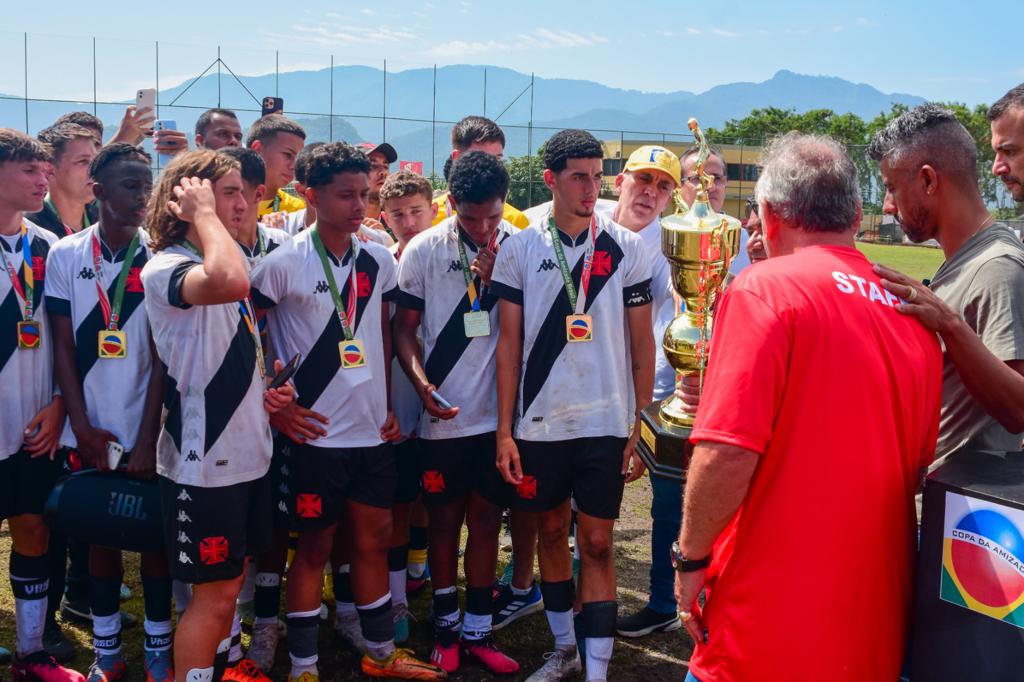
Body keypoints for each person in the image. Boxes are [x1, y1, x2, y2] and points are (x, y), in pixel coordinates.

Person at [675, 132, 942, 681]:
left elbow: (726, 453)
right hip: (873, 624)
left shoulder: (764, 290)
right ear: (857, 213)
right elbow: (916, 464)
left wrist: (690, 560)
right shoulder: (913, 311)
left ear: (769, 215)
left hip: (764, 625)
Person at [250, 141, 444, 681]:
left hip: (370, 435)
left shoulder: (379, 259)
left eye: (366, 194)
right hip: (313, 435)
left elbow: (380, 336)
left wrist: (385, 404)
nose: (360, 206)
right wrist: (274, 399)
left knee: (373, 542)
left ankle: (380, 656)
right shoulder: (283, 262)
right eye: (346, 195)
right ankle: (305, 666)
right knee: (312, 548)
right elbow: (249, 334)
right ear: (310, 195)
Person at [491, 129, 654, 682]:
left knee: (600, 541)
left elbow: (642, 343)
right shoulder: (519, 246)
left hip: (605, 422)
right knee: (551, 532)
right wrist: (504, 430)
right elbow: (507, 345)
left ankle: (598, 671)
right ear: (551, 179)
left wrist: (640, 420)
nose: (591, 189)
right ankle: (564, 650)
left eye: (597, 176)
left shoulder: (626, 249)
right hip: (538, 422)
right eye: (579, 177)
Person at [140, 150, 292, 682]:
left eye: (243, 191)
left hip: (248, 455)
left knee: (226, 594)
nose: (243, 200)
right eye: (225, 192)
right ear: (186, 198)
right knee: (210, 600)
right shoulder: (166, 265)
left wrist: (267, 392)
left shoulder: (229, 258)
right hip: (202, 465)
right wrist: (203, 215)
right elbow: (229, 282)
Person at [45, 143, 173, 682]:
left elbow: (166, 359)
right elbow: (64, 351)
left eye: (147, 185)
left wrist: (148, 439)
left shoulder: (161, 258)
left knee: (156, 541)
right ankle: (107, 653)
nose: (142, 195)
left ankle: (159, 650)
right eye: (129, 186)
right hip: (89, 430)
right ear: (97, 192)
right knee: (101, 536)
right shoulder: (65, 255)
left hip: (153, 429)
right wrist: (81, 427)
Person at [394, 152, 522, 675]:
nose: (484, 227)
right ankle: (445, 628)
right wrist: (422, 386)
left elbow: (532, 330)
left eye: (493, 216)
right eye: (472, 218)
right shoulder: (423, 249)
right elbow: (403, 329)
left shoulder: (520, 248)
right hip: (443, 417)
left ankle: (478, 629)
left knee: (488, 522)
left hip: (498, 422)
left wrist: (500, 283)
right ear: (450, 204)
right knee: (444, 523)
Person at [867, 103, 1024, 470]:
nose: (888, 206)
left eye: (892, 188)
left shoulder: (996, 267)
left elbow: (1018, 410)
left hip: (956, 519)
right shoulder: (967, 260)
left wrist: (949, 324)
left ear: (928, 181)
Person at [0, 128, 82, 682]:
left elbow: (65, 340)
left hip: (33, 425)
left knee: (34, 530)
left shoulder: (48, 248)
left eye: (44, 170)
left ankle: (32, 652)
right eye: (30, 170)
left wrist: (58, 404)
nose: (42, 179)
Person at [375, 170, 436, 646]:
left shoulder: (447, 259)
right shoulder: (381, 263)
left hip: (439, 405)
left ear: (435, 210)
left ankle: (422, 574)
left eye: (417, 211)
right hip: (393, 405)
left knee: (430, 503)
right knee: (395, 507)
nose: (409, 221)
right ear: (384, 218)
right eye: (398, 214)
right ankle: (395, 601)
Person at [432, 116, 529, 229]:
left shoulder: (515, 220)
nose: (491, 167)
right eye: (480, 158)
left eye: (497, 159)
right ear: (457, 158)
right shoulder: (428, 216)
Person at [28, 124, 100, 239]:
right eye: (83, 161)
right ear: (49, 169)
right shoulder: (28, 230)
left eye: (95, 161)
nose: (95, 169)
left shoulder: (107, 224)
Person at [245, 115, 306, 220]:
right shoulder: (223, 204)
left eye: (297, 159)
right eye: (288, 155)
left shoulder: (299, 212)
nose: (294, 166)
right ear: (257, 149)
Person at [356, 141, 397, 224]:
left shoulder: (398, 223)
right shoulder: (334, 224)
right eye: (373, 166)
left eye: (386, 166)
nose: (383, 173)